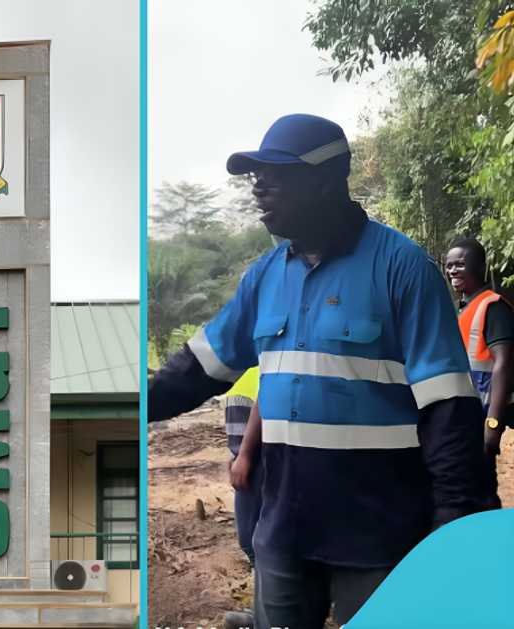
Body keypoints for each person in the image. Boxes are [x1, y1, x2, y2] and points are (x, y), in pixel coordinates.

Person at [148, 114, 489, 628]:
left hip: (378, 536)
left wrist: (453, 523)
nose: (258, 186)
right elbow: (198, 368)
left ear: (327, 180)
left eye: (275, 173)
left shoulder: (401, 268)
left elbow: (448, 408)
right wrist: (123, 408)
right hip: (284, 535)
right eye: (254, 174)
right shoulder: (263, 277)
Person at [446, 236, 511, 508]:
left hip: (483, 420)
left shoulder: (492, 306)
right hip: (468, 419)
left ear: (479, 266)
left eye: (460, 264)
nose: (452, 271)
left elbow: (504, 364)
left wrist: (493, 427)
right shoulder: (467, 308)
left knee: (481, 495)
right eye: (449, 265)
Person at [221, 368, 262, 629]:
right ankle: (263, 611)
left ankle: (266, 616)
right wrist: (236, 455)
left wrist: (245, 455)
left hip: (264, 464)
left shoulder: (268, 363)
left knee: (257, 541)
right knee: (251, 542)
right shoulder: (242, 368)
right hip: (248, 463)